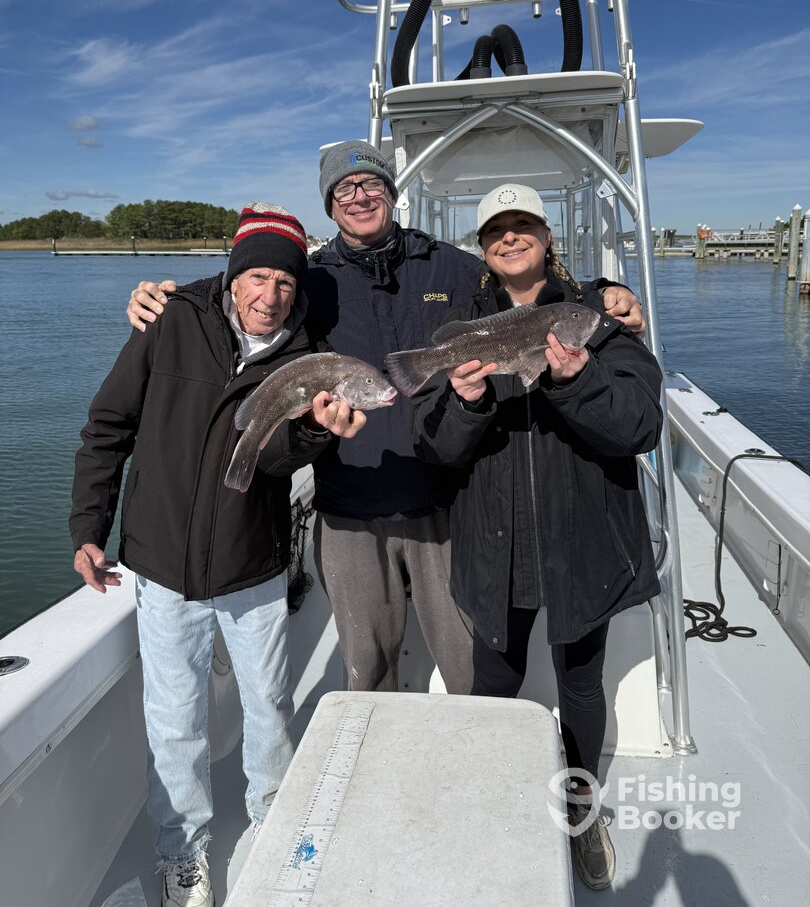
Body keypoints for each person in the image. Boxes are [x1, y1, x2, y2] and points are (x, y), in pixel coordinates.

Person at [127, 144, 646, 696]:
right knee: (368, 672)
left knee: (468, 671)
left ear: (392, 194)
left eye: (372, 185)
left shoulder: (452, 265)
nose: (360, 197)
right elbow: (251, 288)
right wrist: (166, 295)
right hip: (349, 508)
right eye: (344, 190)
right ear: (329, 204)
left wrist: (606, 293)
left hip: (443, 509)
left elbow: (524, 292)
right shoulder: (311, 279)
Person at [71, 203, 367, 907]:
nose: (271, 296)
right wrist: (88, 526)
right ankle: (184, 858)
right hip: (160, 566)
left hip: (252, 566)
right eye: (258, 276)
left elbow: (276, 465)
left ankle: (273, 829)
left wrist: (321, 436)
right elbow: (108, 426)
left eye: (287, 284)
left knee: (269, 705)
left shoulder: (306, 358)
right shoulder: (168, 321)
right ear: (233, 277)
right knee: (175, 722)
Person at [410, 183, 664, 891]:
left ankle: (581, 808)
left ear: (547, 238)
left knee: (581, 682)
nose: (511, 237)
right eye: (497, 230)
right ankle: (497, 800)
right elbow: (435, 449)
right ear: (484, 248)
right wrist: (464, 401)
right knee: (496, 680)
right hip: (497, 543)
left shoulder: (599, 320)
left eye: (524, 225)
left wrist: (576, 382)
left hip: (584, 536)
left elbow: (641, 427)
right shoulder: (465, 327)